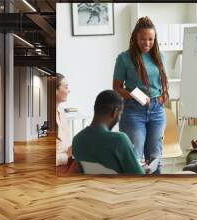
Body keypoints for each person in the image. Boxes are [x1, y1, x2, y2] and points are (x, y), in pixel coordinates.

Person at [113, 16, 169, 174]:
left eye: (150, 39)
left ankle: (156, 193)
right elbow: (117, 88)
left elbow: (164, 82)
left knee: (155, 157)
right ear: (135, 38)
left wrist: (163, 95)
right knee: (134, 156)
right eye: (143, 39)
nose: (147, 43)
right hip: (133, 112)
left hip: (157, 111)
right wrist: (137, 96)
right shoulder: (124, 58)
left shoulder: (160, 56)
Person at [72, 90, 144, 174]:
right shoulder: (119, 140)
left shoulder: (77, 139)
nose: (119, 118)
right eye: (120, 114)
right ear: (115, 112)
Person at [56, 73, 72, 167]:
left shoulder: (61, 111)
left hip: (66, 160)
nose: (69, 91)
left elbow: (66, 144)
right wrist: (67, 156)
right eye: (65, 87)